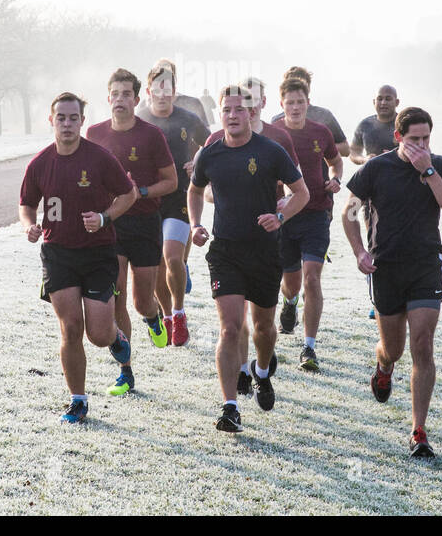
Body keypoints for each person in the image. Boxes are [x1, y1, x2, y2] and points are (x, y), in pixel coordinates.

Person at [342, 107, 442, 458]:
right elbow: (349, 213)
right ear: (398, 137)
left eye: (426, 138)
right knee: (393, 348)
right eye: (414, 139)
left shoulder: (438, 165)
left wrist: (427, 171)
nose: (421, 145)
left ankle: (418, 430)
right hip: (387, 268)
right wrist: (359, 252)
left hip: (426, 265)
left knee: (423, 345)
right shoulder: (376, 168)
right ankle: (383, 365)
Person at [189, 85, 309, 433]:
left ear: (251, 112)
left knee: (263, 329)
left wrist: (281, 217)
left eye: (239, 110)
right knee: (229, 328)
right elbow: (194, 189)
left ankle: (261, 370)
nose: (232, 116)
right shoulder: (209, 154)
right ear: (220, 114)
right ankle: (230, 407)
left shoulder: (270, 151)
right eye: (226, 110)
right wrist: (196, 224)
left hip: (264, 252)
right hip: (225, 252)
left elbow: (301, 192)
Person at [19, 92, 139, 423]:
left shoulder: (99, 159)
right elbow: (27, 204)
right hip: (58, 255)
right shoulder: (40, 164)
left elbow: (128, 194)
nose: (68, 124)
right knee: (70, 328)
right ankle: (78, 400)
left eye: (74, 118)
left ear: (82, 121)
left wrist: (104, 218)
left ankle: (116, 337)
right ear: (51, 120)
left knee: (98, 335)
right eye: (62, 118)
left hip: (99, 253)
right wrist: (30, 226)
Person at [87, 69, 179, 394]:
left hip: (144, 223)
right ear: (108, 98)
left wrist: (139, 192)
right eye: (116, 93)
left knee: (141, 300)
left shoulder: (151, 135)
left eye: (127, 94)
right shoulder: (94, 133)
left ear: (137, 100)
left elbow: (172, 182)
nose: (121, 99)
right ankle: (125, 370)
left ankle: (153, 317)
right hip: (112, 224)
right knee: (116, 296)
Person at [275, 76, 343, 371]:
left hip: (316, 212)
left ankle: (309, 347)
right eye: (290, 102)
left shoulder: (320, 131)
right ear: (282, 105)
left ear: (308, 102)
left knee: (312, 277)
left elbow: (336, 160)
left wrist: (336, 178)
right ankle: (289, 304)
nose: (295, 107)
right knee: (290, 283)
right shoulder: (273, 132)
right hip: (284, 215)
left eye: (300, 102)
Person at [140, 61, 210, 346]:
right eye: (158, 87)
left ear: (174, 90)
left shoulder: (187, 117)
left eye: (168, 87)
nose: (163, 92)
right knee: (157, 265)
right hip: (149, 200)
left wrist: (197, 162)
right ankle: (167, 316)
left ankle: (180, 314)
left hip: (179, 196)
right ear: (149, 90)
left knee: (171, 257)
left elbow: (213, 142)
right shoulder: (139, 118)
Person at [270, 66, 349, 159]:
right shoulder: (276, 121)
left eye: (301, 84)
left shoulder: (324, 115)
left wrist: (319, 147)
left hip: (320, 172)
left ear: (308, 87)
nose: (296, 88)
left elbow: (346, 149)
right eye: (292, 85)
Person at [350, 85, 401, 164]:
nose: (383, 103)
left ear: (397, 102)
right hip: (372, 173)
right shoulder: (365, 125)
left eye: (388, 99)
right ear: (374, 102)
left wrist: (396, 156)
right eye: (379, 99)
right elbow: (353, 152)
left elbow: (419, 150)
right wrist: (364, 160)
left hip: (401, 173)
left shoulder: (404, 124)